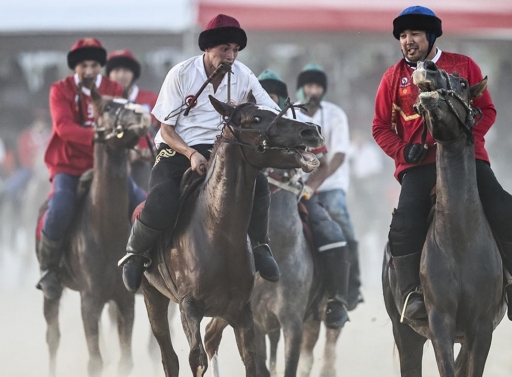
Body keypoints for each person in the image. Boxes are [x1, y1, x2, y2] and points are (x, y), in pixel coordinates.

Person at [372, 5, 512, 322]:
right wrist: (404, 152)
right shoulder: (392, 78)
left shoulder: (463, 66)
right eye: (403, 36)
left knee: (508, 210)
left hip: (466, 162)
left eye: (415, 34)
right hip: (418, 167)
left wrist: (465, 137)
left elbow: (487, 110)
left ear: (431, 36)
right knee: (403, 225)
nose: (408, 41)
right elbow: (379, 127)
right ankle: (409, 295)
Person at [118, 14, 281, 293]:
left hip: (225, 149)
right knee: (164, 197)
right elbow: (165, 129)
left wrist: (261, 115)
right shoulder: (180, 74)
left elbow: (271, 111)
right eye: (224, 49)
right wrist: (191, 154)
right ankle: (135, 253)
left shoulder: (244, 75)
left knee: (260, 184)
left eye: (235, 50)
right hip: (178, 147)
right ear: (208, 48)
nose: (231, 56)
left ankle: (260, 246)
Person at [37, 38, 147, 299]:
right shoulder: (59, 90)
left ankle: (146, 263)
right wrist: (99, 137)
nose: (88, 71)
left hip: (108, 167)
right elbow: (63, 128)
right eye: (83, 65)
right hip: (68, 166)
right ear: (75, 67)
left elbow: (125, 123)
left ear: (100, 67)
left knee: (144, 204)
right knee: (61, 207)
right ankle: (50, 268)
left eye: (94, 65)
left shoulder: (113, 89)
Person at [257, 69, 350, 329]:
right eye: (263, 94)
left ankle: (336, 299)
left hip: (293, 192)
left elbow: (323, 163)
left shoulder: (298, 120)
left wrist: (308, 188)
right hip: (254, 195)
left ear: (282, 96)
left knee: (332, 233)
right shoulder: (250, 121)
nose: (269, 99)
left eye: (273, 94)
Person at [295, 64, 363, 310]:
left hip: (331, 184)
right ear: (301, 88)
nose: (313, 91)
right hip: (297, 183)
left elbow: (339, 155)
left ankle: (352, 286)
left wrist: (317, 183)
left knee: (340, 220)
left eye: (318, 87)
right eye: (309, 86)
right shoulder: (291, 113)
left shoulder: (336, 114)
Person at [106, 49, 159, 190]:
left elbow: (165, 131)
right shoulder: (103, 103)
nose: (121, 75)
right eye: (116, 70)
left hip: (144, 167)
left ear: (133, 74)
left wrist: (152, 149)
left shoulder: (152, 99)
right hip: (109, 165)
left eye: (126, 70)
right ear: (109, 74)